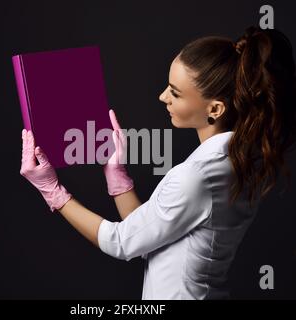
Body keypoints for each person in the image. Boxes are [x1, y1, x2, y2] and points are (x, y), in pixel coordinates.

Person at [19, 26, 296, 299]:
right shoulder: (234, 161)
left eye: (175, 92)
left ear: (214, 109)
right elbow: (146, 235)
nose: (162, 97)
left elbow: (120, 242)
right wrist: (117, 174)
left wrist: (53, 191)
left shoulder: (196, 176)